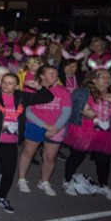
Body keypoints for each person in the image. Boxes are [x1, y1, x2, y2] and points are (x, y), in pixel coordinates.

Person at [0, 73, 53, 218]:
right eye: (4, 82)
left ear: (16, 85)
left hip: (10, 141)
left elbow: (47, 97)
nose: (6, 86)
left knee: (9, 171)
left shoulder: (21, 96)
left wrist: (39, 87)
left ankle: (2, 197)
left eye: (10, 83)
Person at [62, 68, 111, 201]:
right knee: (77, 156)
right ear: (94, 80)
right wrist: (87, 112)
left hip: (104, 131)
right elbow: (85, 111)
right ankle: (67, 181)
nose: (107, 80)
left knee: (104, 160)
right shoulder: (85, 93)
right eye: (103, 77)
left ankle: (104, 185)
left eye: (108, 77)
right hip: (85, 129)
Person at [16, 65, 72, 196]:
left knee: (50, 157)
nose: (55, 76)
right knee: (28, 153)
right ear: (41, 75)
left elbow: (66, 111)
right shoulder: (32, 89)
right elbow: (27, 111)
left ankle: (44, 181)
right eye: (51, 73)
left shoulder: (63, 91)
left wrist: (56, 127)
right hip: (35, 125)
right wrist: (44, 125)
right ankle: (21, 179)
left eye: (56, 73)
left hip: (56, 127)